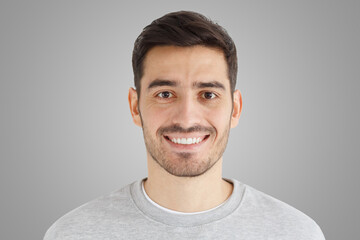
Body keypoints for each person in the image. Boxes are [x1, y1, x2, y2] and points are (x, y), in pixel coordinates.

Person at [44, 11, 326, 240]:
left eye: (208, 95)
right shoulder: (71, 234)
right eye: (165, 94)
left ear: (235, 108)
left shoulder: (296, 233)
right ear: (135, 106)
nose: (187, 118)